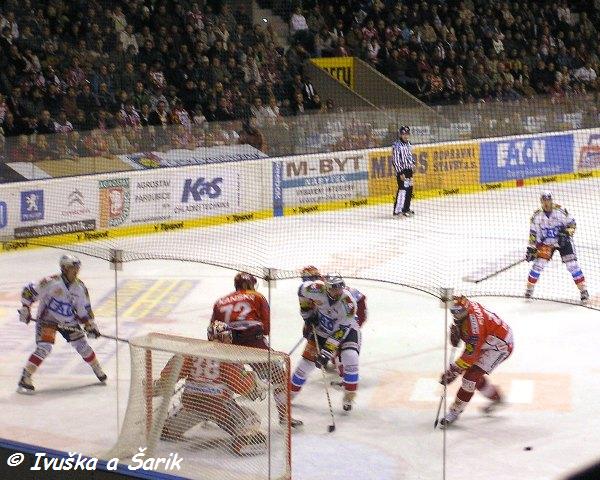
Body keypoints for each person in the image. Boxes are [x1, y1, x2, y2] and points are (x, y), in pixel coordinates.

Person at [155, 322, 269, 455]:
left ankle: (168, 427)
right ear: (224, 338)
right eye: (227, 336)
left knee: (163, 431)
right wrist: (254, 383)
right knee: (252, 418)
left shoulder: (192, 351)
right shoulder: (228, 356)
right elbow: (242, 386)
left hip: (191, 404)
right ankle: (243, 443)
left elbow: (169, 373)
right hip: (219, 407)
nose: (229, 339)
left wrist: (161, 384)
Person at [209, 272, 302, 427]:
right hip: (253, 342)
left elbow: (213, 330)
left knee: (222, 378)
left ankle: (210, 413)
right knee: (279, 377)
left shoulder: (220, 301)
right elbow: (266, 329)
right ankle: (284, 417)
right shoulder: (257, 296)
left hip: (226, 345)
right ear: (252, 285)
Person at [17, 255, 106, 393]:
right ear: (64, 268)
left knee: (83, 346)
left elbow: (85, 310)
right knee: (44, 347)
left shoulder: (80, 287)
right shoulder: (50, 282)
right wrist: (25, 308)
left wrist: (90, 326)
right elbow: (28, 291)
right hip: (48, 320)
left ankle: (96, 368)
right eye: (72, 267)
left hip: (69, 321)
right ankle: (26, 376)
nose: (76, 271)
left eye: (77, 268)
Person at [439, 295, 513, 428]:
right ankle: (497, 398)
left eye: (459, 312)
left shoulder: (475, 329)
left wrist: (453, 371)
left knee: (469, 378)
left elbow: (470, 355)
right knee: (474, 378)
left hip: (500, 346)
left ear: (466, 309)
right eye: (453, 312)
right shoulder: (466, 306)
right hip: (489, 340)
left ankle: (454, 412)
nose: (456, 315)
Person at [290, 273, 360, 411]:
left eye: (340, 287)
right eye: (334, 288)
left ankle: (349, 395)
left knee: (350, 357)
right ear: (327, 288)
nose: (338, 290)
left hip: (347, 331)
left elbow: (341, 331)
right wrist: (307, 314)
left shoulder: (349, 304)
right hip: (322, 330)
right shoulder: (316, 288)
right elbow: (301, 291)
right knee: (305, 365)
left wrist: (326, 352)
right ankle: (289, 394)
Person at [525, 191, 589, 302]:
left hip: (563, 242)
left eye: (548, 200)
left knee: (572, 265)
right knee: (538, 265)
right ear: (541, 201)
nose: (546, 203)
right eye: (544, 200)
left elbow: (572, 224)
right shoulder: (537, 216)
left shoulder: (560, 211)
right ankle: (529, 289)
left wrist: (567, 233)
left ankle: (583, 290)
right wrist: (531, 249)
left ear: (551, 200)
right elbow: (533, 234)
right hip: (547, 244)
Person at [392, 125, 415, 217]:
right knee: (402, 190)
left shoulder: (409, 144)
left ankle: (406, 208)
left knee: (409, 189)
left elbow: (409, 156)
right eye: (403, 134)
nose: (405, 136)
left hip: (409, 170)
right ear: (400, 134)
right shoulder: (397, 145)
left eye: (407, 134)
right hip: (402, 171)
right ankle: (397, 210)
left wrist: (413, 164)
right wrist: (400, 172)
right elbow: (396, 160)